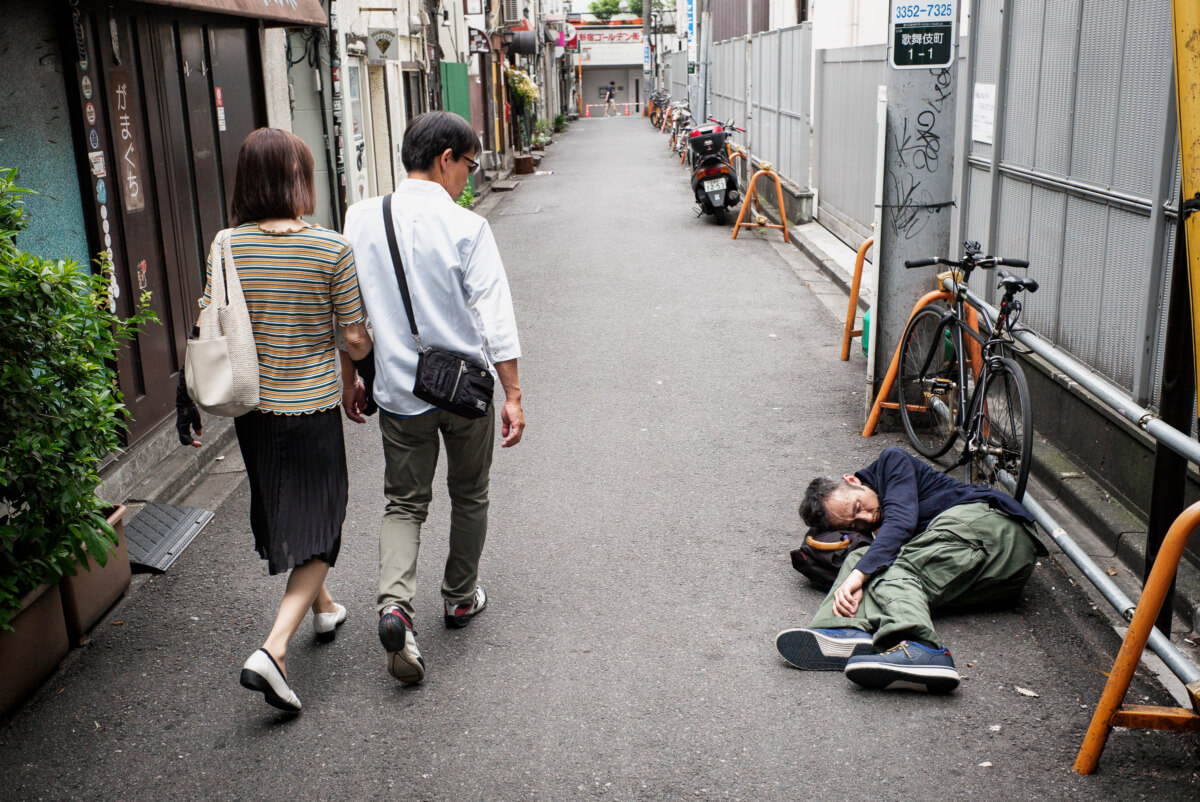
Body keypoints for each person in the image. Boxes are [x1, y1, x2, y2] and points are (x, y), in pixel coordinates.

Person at [176, 128, 372, 713]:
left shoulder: (225, 245)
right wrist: (353, 371)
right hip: (309, 408)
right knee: (324, 518)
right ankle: (273, 650)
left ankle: (324, 607)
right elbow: (356, 337)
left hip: (254, 409)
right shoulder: (330, 248)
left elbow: (212, 319)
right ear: (299, 179)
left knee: (285, 503)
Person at [341, 111, 524, 686]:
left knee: (403, 503)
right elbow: (496, 315)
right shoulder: (467, 227)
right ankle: (460, 596)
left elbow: (349, 312)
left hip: (396, 389)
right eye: (468, 166)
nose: (469, 179)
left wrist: (354, 377)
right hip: (465, 389)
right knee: (470, 494)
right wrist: (514, 393)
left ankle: (395, 607)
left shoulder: (360, 218)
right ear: (445, 157)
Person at [775, 447, 1045, 693]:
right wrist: (859, 570)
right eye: (855, 524)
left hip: (993, 530)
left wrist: (859, 576)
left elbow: (901, 522)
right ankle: (842, 630)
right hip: (991, 582)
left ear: (853, 480)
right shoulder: (872, 528)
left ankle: (923, 649)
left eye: (859, 507)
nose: (867, 518)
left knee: (886, 566)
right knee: (867, 558)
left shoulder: (892, 463)